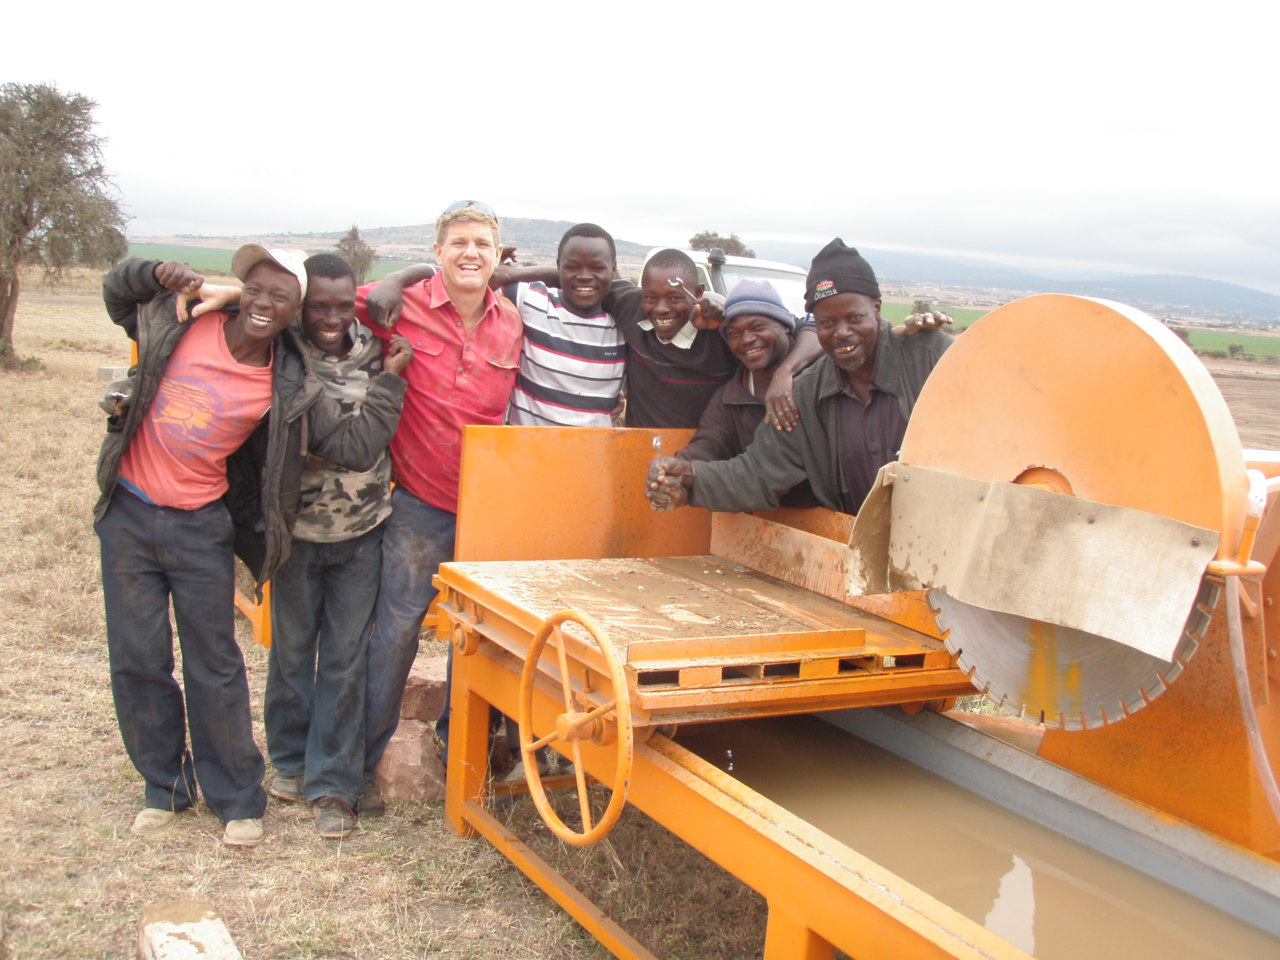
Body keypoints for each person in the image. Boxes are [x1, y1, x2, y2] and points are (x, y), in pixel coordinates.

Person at [94, 245, 313, 847]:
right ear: (241, 289)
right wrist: (153, 274)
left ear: (297, 309)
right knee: (137, 658)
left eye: (281, 296)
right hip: (130, 513)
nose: (266, 304)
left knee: (213, 664)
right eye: (257, 289)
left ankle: (238, 798)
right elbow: (117, 293)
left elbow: (349, 318)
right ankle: (163, 788)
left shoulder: (288, 375)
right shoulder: (180, 319)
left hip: (201, 525)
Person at [353, 201, 523, 814]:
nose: (470, 252)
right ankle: (363, 766)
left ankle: (463, 759)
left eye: (482, 243)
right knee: (395, 633)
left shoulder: (515, 323)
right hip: (419, 506)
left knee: (475, 639)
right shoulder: (399, 304)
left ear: (498, 254)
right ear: (437, 251)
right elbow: (311, 299)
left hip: (489, 512)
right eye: (458, 242)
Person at [262, 254, 413, 839]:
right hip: (297, 535)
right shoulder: (285, 355)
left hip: (362, 533)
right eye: (316, 305)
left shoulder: (378, 351)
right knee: (292, 653)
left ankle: (332, 783)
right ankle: (288, 763)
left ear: (357, 300)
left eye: (340, 305)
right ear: (300, 305)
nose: (329, 317)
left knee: (346, 661)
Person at [646, 239, 953, 515]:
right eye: (827, 322)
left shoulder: (926, 356)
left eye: (855, 317)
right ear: (814, 325)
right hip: (860, 547)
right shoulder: (806, 393)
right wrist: (687, 477)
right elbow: (759, 473)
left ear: (877, 309)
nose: (842, 332)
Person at [372, 223, 625, 427]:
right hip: (525, 462)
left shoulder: (623, 324)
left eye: (596, 268)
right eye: (572, 267)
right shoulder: (531, 301)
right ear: (558, 268)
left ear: (614, 270)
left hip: (593, 465)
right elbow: (456, 275)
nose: (583, 276)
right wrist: (396, 279)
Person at [674, 278, 819, 508]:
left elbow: (822, 326)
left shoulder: (817, 379)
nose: (747, 339)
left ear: (785, 325)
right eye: (733, 333)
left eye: (758, 326)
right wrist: (674, 471)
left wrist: (785, 372)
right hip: (772, 529)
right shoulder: (730, 398)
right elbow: (708, 445)